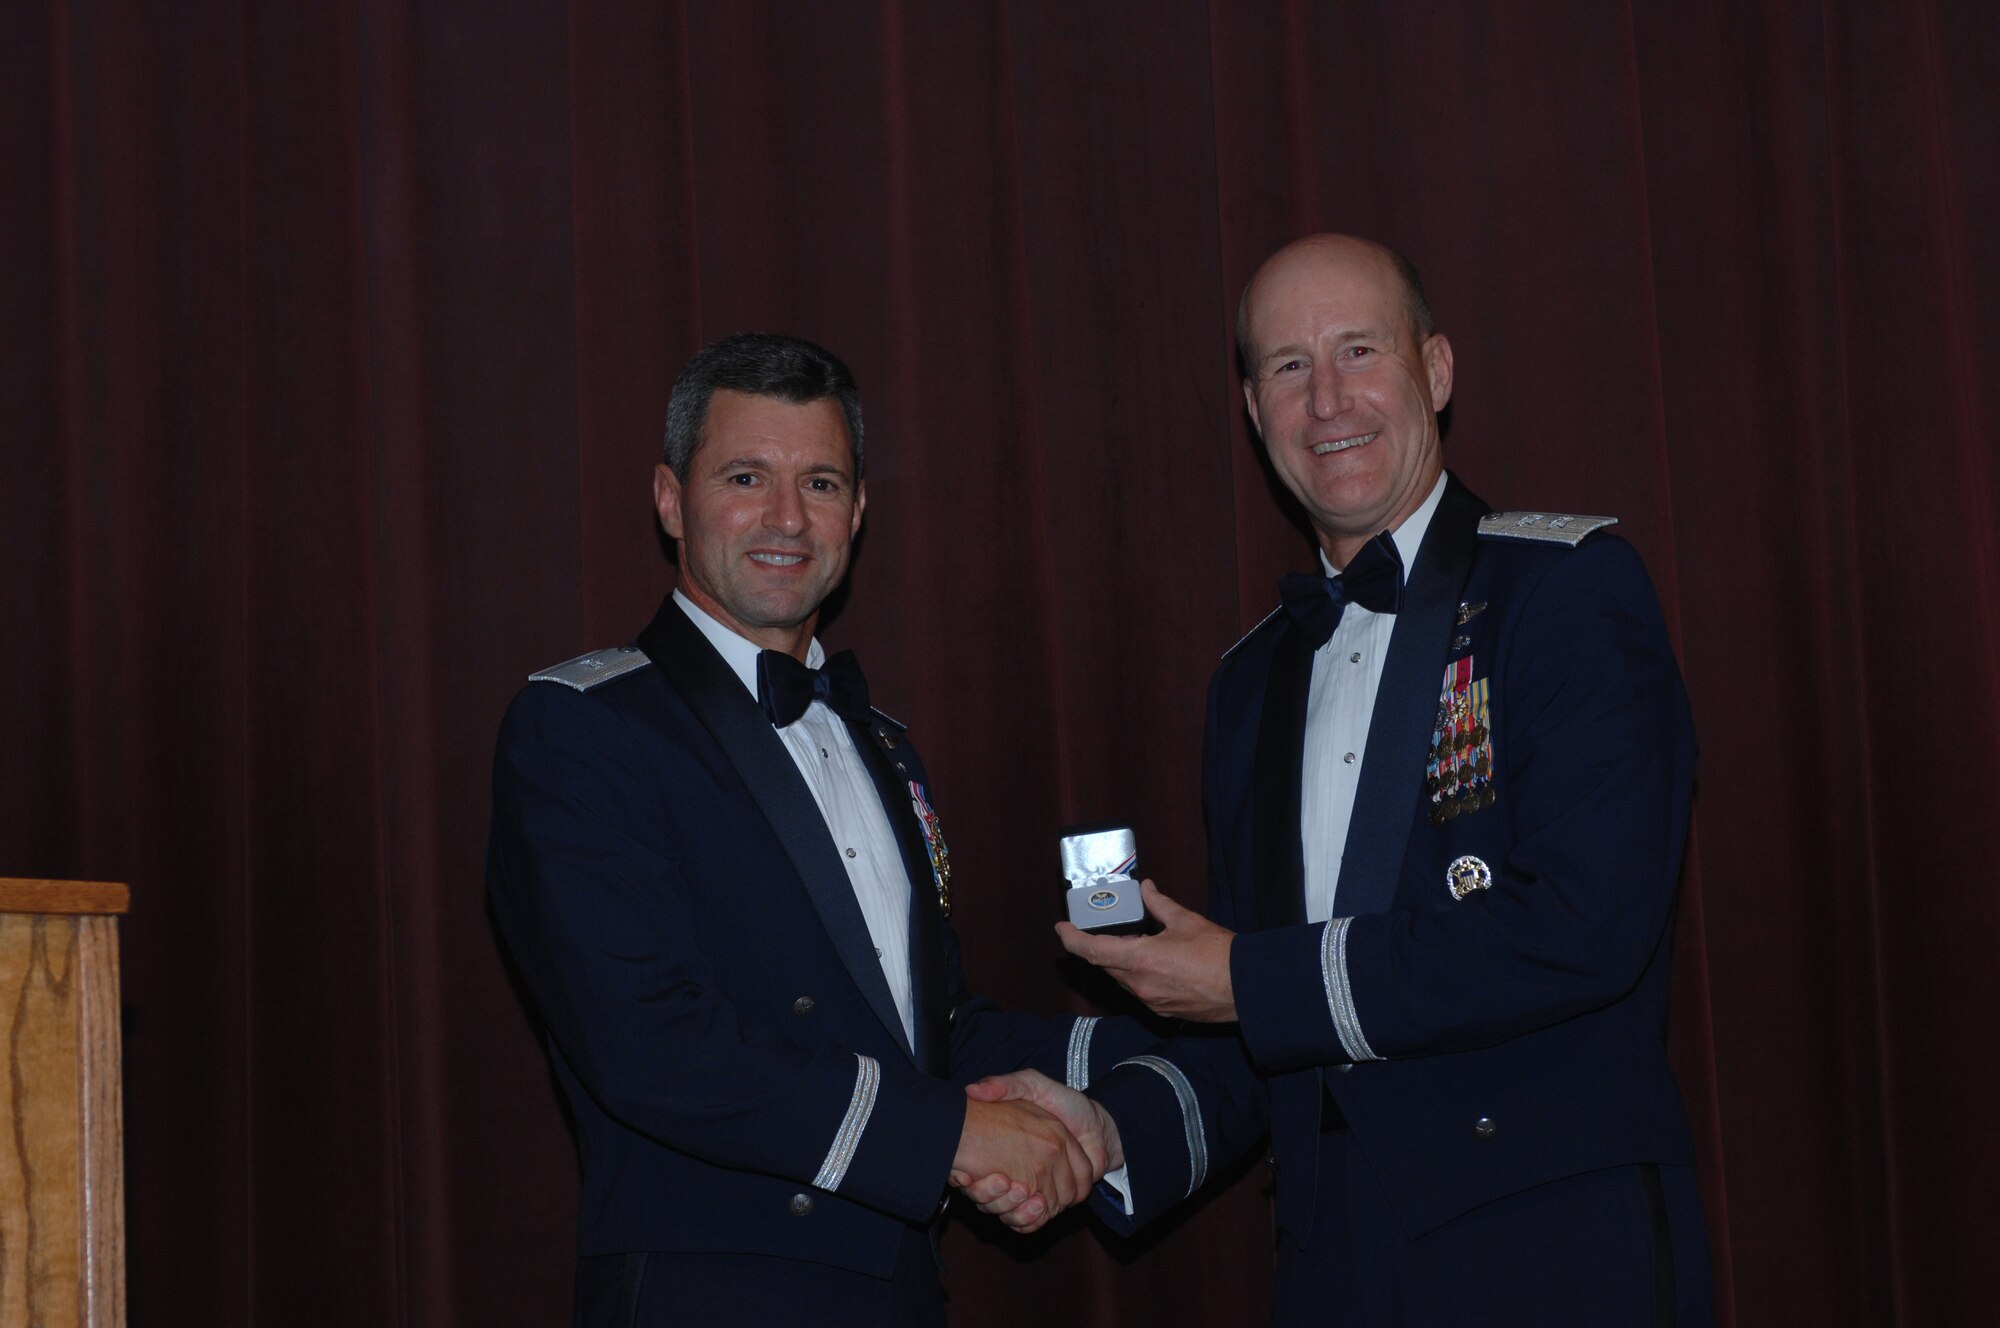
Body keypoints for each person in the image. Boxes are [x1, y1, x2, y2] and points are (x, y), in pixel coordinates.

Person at [971, 235, 1713, 1325]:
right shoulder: (1247, 680)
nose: (1325, 399)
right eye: (1285, 366)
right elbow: (1261, 1027)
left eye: (1357, 350)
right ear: (1249, 405)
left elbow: (1583, 921)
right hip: (1333, 1263)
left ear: (1437, 370)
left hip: (1551, 1243)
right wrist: (1101, 1130)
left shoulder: (1563, 590)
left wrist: (1247, 983)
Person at [487, 332, 1140, 1327]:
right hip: (709, 1295)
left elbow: (932, 1026)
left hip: (895, 1290)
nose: (786, 517)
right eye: (745, 475)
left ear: (859, 512)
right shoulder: (583, 725)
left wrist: (1146, 1063)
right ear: (669, 499)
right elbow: (649, 1040)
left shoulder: (882, 745)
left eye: (821, 481)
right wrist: (951, 1138)